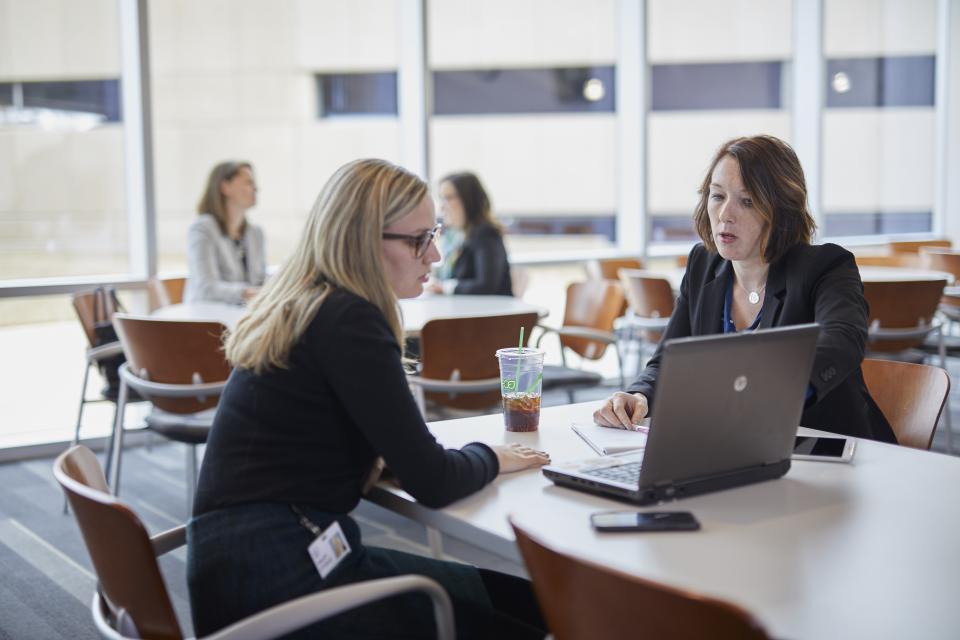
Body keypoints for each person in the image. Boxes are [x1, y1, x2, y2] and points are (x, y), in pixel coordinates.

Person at [188, 158, 550, 639]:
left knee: (534, 600)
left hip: (248, 558)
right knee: (536, 616)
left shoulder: (309, 302)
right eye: (420, 239)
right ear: (363, 240)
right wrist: (494, 456)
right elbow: (434, 481)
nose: (435, 255)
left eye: (435, 233)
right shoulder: (348, 319)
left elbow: (370, 446)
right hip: (279, 576)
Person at [594, 135, 895, 443]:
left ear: (780, 210)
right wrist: (638, 395)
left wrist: (773, 393)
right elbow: (669, 360)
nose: (725, 214)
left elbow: (843, 341)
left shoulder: (825, 266)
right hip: (735, 447)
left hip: (825, 450)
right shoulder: (702, 264)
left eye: (747, 201)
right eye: (717, 196)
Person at [184, 161, 266, 304]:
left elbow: (260, 280)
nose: (256, 188)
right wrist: (247, 293)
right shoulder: (202, 229)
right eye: (248, 182)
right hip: (207, 319)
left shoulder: (255, 233)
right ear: (225, 187)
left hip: (244, 317)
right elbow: (207, 288)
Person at [427, 171, 513, 296]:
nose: (442, 207)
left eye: (448, 198)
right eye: (441, 199)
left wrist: (446, 288)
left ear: (468, 200)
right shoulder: (456, 236)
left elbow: (487, 285)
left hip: (491, 312)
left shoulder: (486, 233)